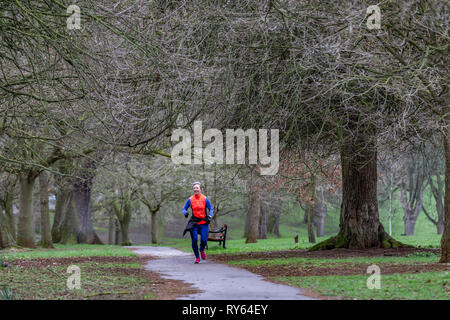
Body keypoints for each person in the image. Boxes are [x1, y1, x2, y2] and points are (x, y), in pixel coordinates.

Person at [182, 181, 213, 264]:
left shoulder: (205, 199)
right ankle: (197, 257)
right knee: (194, 240)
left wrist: (210, 216)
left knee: (203, 240)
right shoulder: (190, 199)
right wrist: (185, 212)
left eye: (197, 188)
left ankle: (202, 250)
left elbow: (211, 209)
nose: (196, 189)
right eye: (194, 188)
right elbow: (184, 209)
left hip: (203, 222)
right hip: (194, 223)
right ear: (193, 189)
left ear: (200, 189)